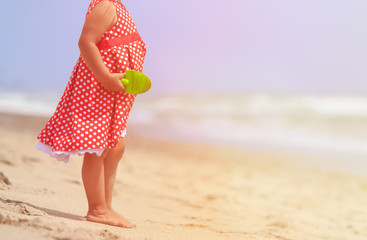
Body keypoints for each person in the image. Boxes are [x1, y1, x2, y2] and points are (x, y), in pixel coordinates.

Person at [36, 0, 147, 228]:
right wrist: (106, 77)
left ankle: (106, 205)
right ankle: (97, 209)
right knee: (98, 149)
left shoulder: (119, 8)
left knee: (116, 148)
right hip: (98, 89)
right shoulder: (105, 6)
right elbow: (86, 41)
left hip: (116, 95)